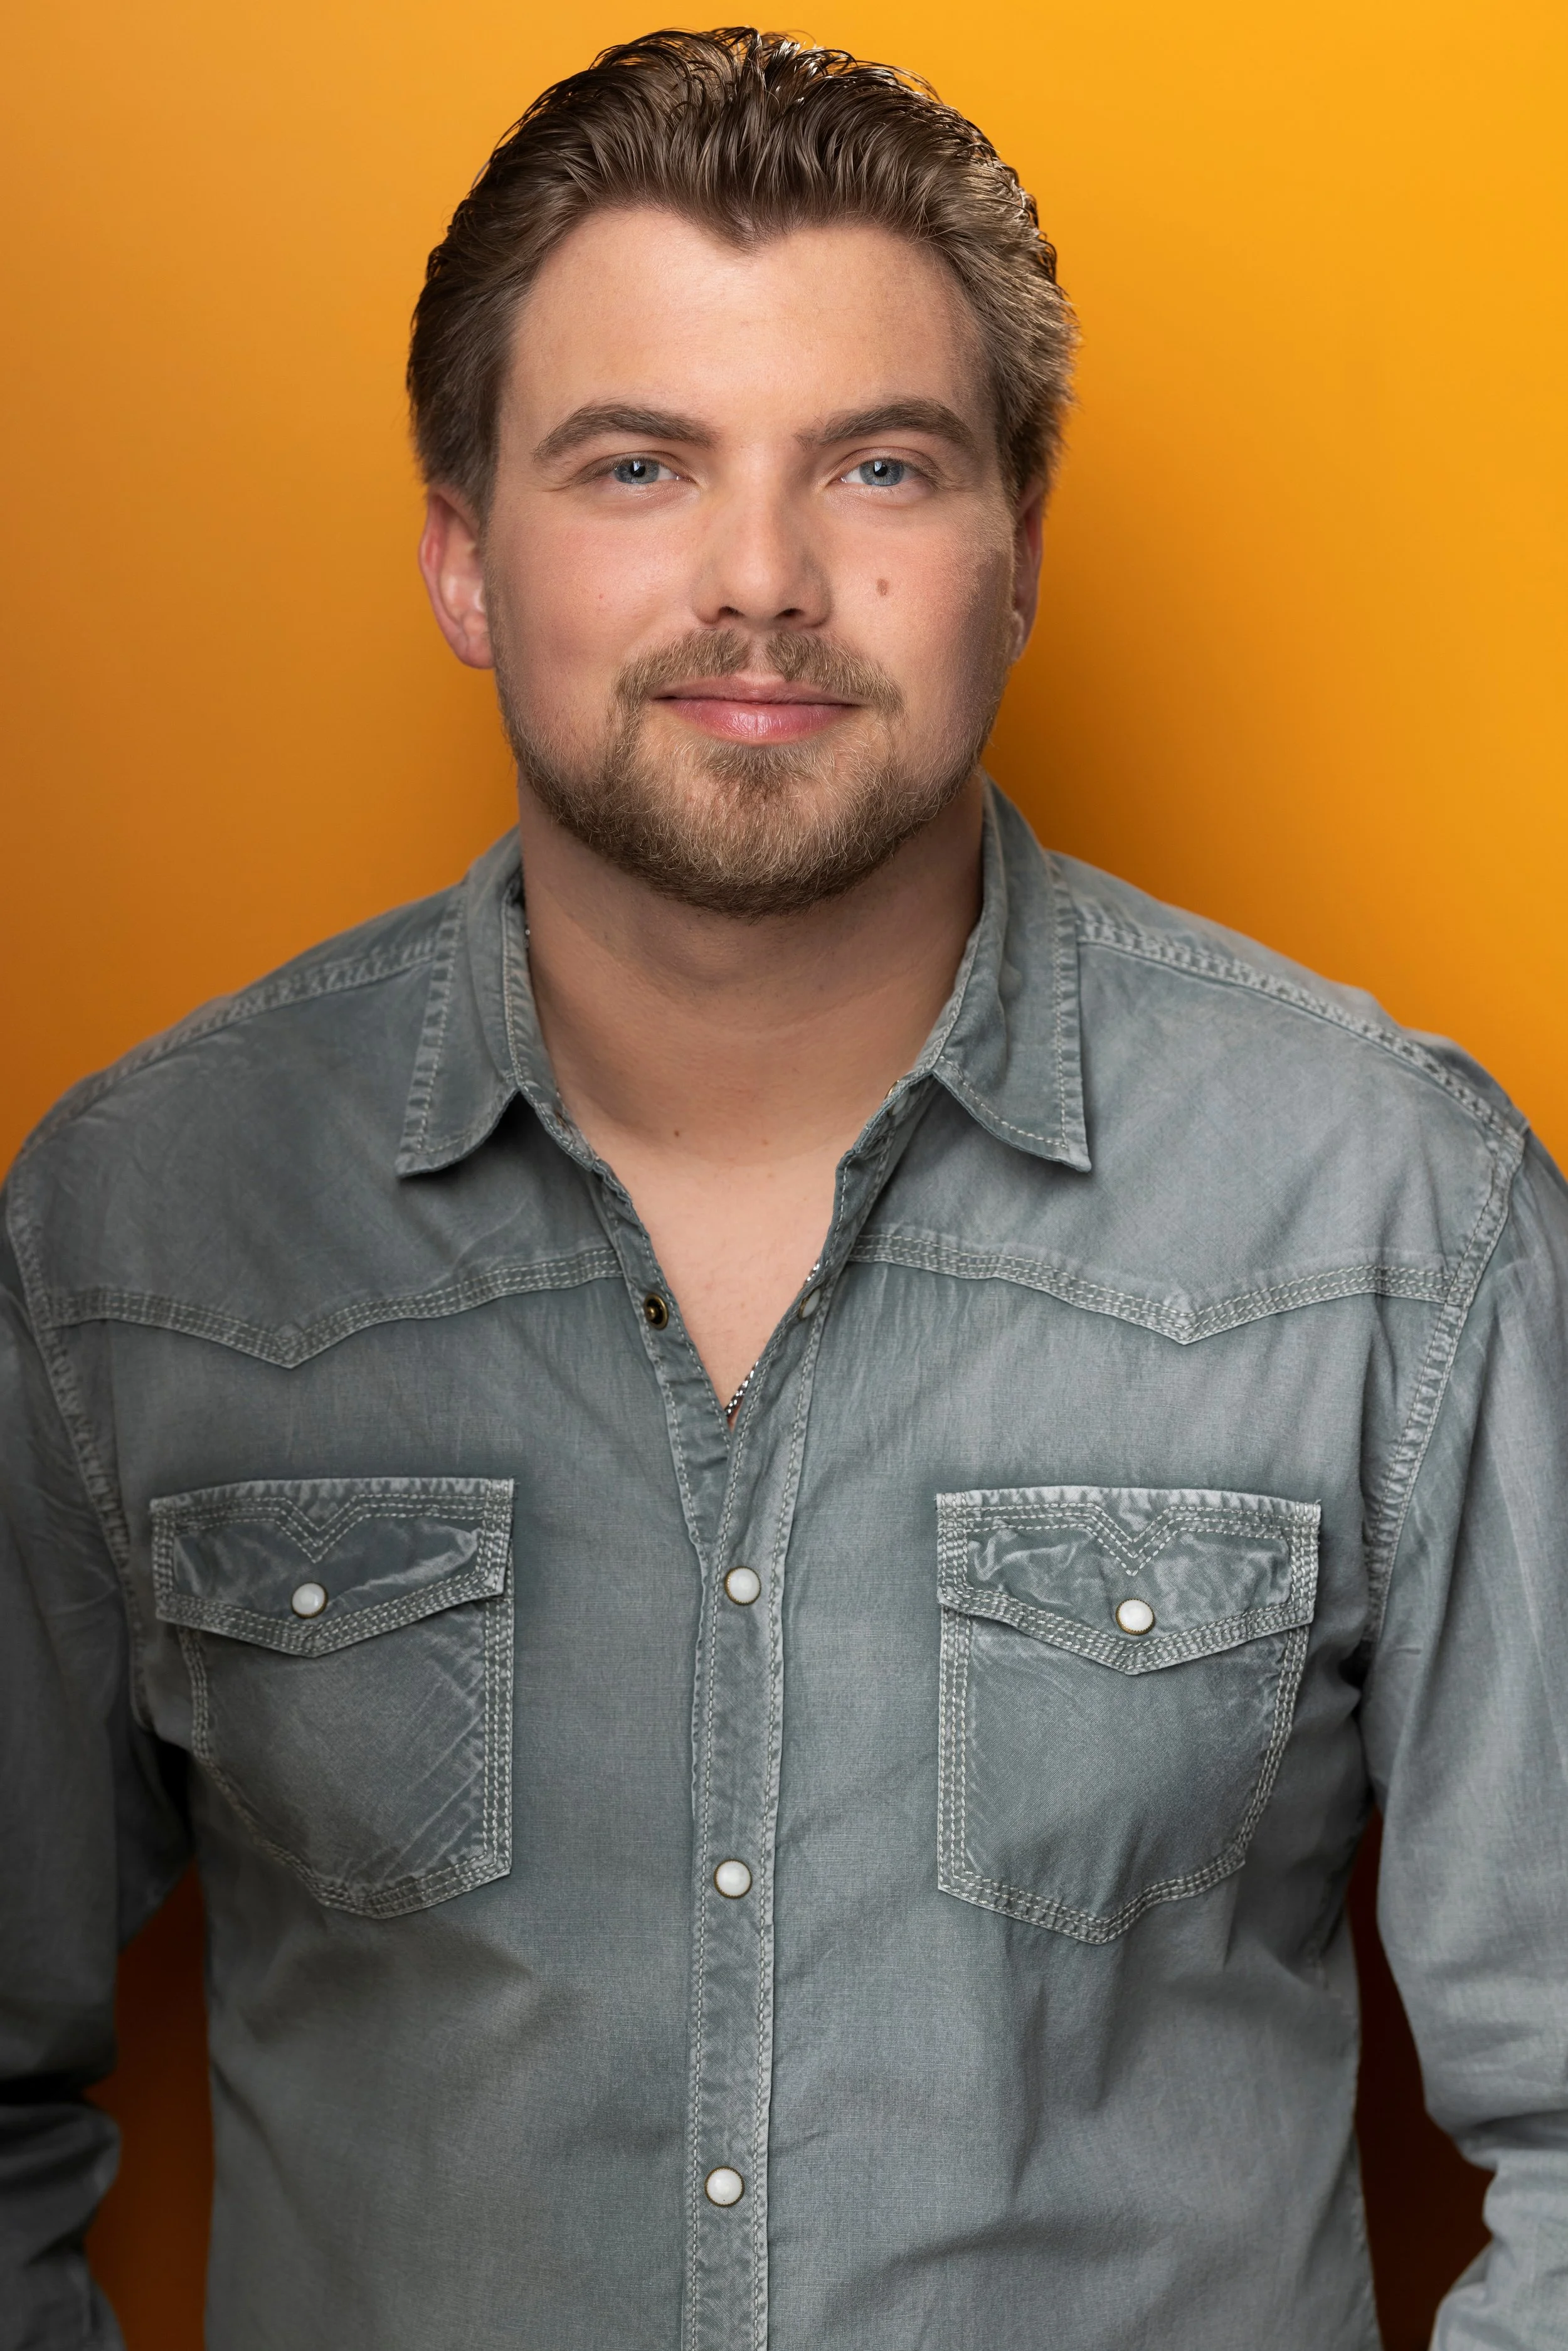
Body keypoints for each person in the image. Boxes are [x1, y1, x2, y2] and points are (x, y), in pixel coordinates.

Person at [2, 25, 1564, 2349]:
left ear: (1013, 549)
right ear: (459, 554)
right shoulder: (140, 1226)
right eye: (636, 463)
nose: (761, 580)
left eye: (881, 467)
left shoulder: (1386, 1206)